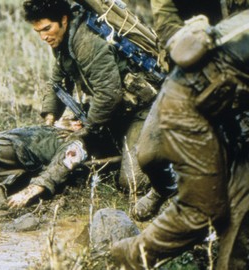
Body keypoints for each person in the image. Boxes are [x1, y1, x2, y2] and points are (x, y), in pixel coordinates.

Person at [109, 10, 249, 269]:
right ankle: (128, 258)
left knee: (241, 204)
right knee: (202, 209)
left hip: (220, 105)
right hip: (188, 105)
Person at [22, 0, 161, 195]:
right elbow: (57, 81)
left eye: (47, 28)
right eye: (38, 32)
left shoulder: (87, 42)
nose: (43, 37)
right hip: (119, 111)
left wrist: (87, 130)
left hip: (145, 109)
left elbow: (108, 95)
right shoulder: (63, 40)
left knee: (132, 183)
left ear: (63, 19)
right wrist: (50, 119)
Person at [133, 0, 249, 222]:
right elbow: (167, 23)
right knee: (149, 155)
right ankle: (165, 188)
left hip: (239, 72)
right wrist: (196, 46)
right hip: (189, 76)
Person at [0, 117, 89, 209]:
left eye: (73, 118)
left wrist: (27, 193)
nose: (64, 118)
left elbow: (61, 166)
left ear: (79, 125)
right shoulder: (51, 127)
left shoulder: (74, 142)